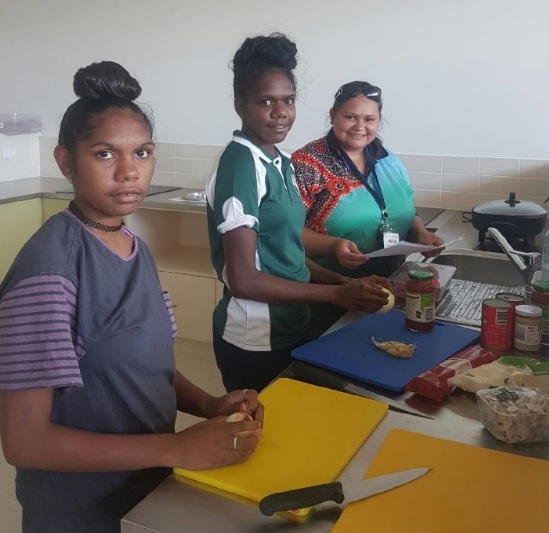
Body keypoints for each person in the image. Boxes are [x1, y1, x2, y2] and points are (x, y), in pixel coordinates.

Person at [0, 61, 263, 533]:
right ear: (65, 161)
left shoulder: (131, 246)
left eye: (142, 153)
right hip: (79, 511)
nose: (128, 171)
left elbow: (146, 363)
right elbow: (24, 442)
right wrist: (175, 448)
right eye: (104, 154)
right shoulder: (50, 271)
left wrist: (208, 405)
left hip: (144, 494)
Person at [206, 35, 390, 394]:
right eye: (266, 102)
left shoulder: (280, 161)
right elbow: (244, 279)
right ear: (240, 105)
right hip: (255, 340)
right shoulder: (240, 165)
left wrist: (342, 284)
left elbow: (287, 254)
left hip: (291, 325)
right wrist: (335, 297)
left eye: (288, 100)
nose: (281, 112)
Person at [291, 80, 444, 327]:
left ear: (379, 121)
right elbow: (286, 232)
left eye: (369, 119)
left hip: (387, 286)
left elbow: (407, 209)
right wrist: (333, 246)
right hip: (331, 291)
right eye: (350, 117)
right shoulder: (307, 164)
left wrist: (420, 232)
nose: (360, 127)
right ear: (333, 116)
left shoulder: (386, 158)